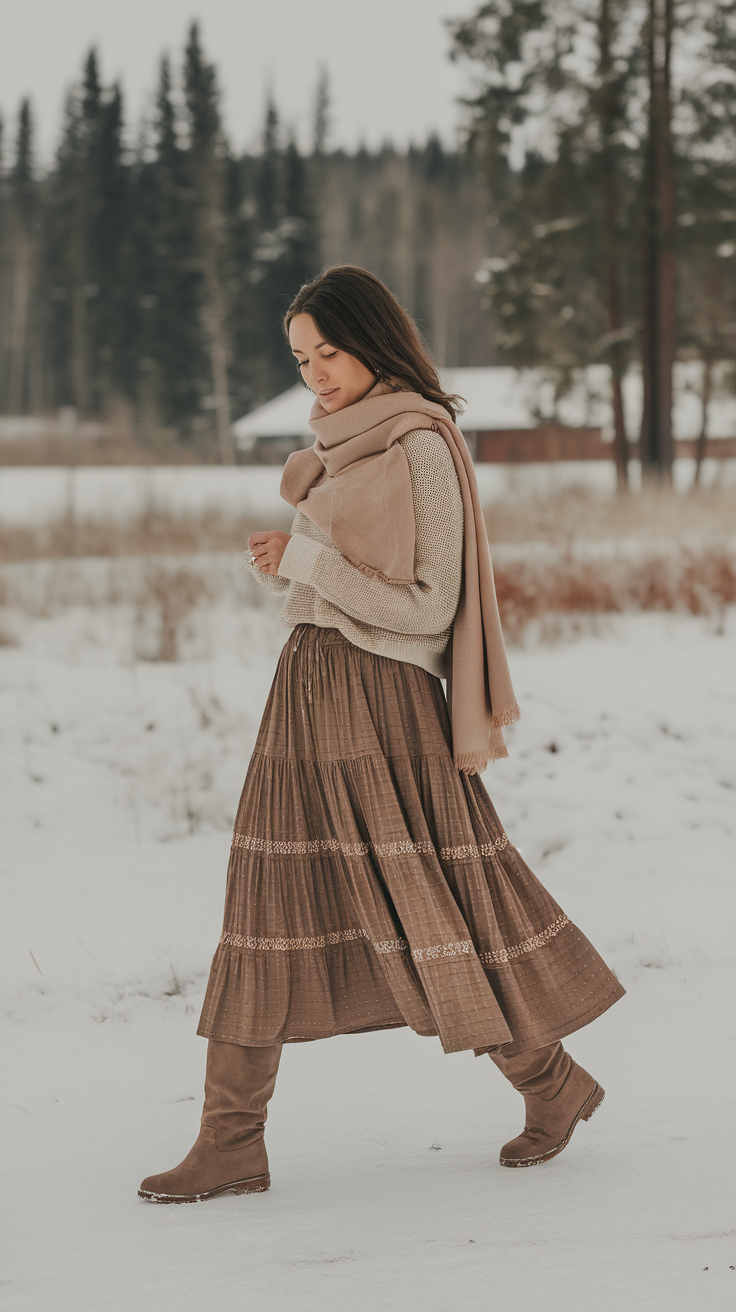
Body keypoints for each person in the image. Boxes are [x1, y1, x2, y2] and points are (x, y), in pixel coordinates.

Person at [139, 266, 624, 1204]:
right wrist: (287, 572)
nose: (315, 372)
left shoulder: (420, 447)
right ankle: (232, 1140)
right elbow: (328, 590)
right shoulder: (338, 452)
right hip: (307, 691)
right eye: (300, 357)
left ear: (375, 341)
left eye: (328, 351)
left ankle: (551, 1083)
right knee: (262, 901)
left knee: (428, 897)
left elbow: (428, 606)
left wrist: (310, 556)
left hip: (383, 705)